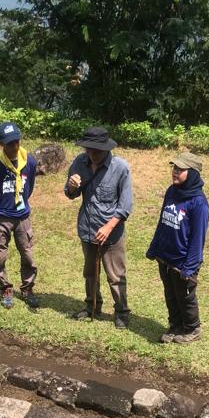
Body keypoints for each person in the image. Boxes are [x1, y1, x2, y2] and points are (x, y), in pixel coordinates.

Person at [65, 126, 134, 329]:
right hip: (87, 228)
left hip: (112, 233)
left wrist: (109, 227)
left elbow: (125, 205)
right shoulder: (79, 162)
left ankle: (121, 311)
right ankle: (92, 306)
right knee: (90, 273)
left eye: (96, 150)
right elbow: (70, 194)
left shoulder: (120, 167)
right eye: (88, 149)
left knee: (115, 276)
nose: (91, 154)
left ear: (106, 149)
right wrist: (71, 186)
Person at [146, 152, 209, 343]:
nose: (175, 172)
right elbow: (162, 222)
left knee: (185, 296)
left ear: (192, 173)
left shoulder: (199, 203)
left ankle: (192, 328)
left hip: (183, 262)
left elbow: (198, 238)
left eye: (180, 169)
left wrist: (189, 267)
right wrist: (155, 247)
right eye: (174, 168)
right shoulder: (171, 192)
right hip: (165, 256)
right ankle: (175, 325)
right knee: (171, 294)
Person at [0, 121, 39, 309]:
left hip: (22, 216)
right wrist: (0, 209)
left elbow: (29, 188)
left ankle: (27, 288)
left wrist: (18, 205)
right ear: (1, 143)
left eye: (17, 142)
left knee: (28, 254)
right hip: (1, 217)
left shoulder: (29, 161)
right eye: (9, 143)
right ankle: (5, 287)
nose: (14, 146)